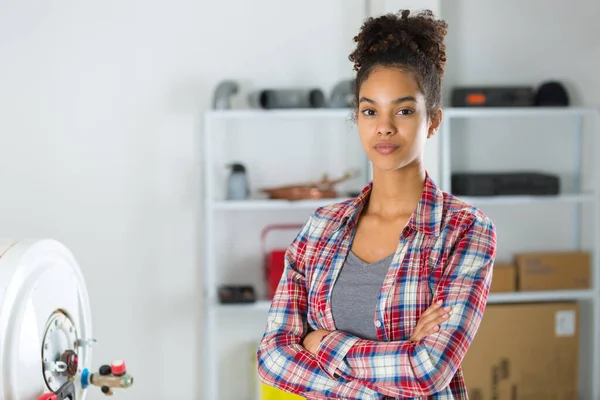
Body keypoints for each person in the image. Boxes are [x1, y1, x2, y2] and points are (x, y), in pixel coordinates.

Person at [256, 9, 496, 400]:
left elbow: (426, 374)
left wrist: (320, 344)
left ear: (432, 120)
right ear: (358, 117)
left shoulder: (465, 229)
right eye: (370, 111)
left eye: (403, 110)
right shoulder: (321, 227)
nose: (384, 126)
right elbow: (272, 358)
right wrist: (390, 371)